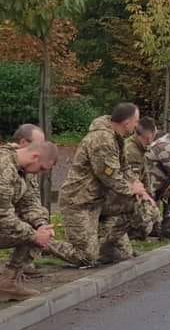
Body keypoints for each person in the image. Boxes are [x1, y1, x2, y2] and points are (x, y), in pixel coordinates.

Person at [58, 103, 154, 265]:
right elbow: (109, 176)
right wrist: (132, 189)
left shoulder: (117, 138)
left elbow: (124, 168)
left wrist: (139, 189)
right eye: (136, 121)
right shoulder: (102, 140)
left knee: (125, 253)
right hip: (80, 202)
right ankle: (42, 243)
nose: (137, 125)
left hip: (100, 200)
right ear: (127, 123)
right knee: (86, 257)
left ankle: (105, 246)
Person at [1, 141, 92, 300]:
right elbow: (3, 216)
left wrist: (42, 225)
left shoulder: (26, 170)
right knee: (33, 234)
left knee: (38, 231)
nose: (40, 173)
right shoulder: (4, 168)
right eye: (42, 168)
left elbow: (30, 203)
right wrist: (34, 235)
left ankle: (7, 284)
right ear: (35, 156)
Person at [118, 117, 162, 241]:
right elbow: (133, 183)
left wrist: (151, 197)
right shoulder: (131, 151)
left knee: (154, 214)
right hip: (125, 195)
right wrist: (148, 202)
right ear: (149, 136)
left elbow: (146, 178)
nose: (152, 141)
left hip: (132, 192)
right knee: (147, 219)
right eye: (152, 137)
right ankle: (132, 231)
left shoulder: (140, 148)